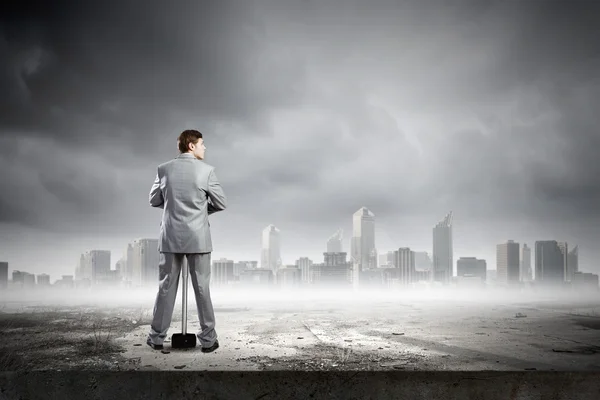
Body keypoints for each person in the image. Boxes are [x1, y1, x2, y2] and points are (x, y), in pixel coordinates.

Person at [146, 129, 227, 353]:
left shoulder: (163, 169)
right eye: (202, 143)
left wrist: (173, 207)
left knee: (166, 287)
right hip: (198, 237)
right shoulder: (207, 171)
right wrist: (200, 211)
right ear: (191, 145)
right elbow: (221, 203)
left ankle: (156, 338)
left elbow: (154, 199)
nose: (204, 147)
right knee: (202, 288)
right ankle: (209, 341)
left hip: (170, 235)